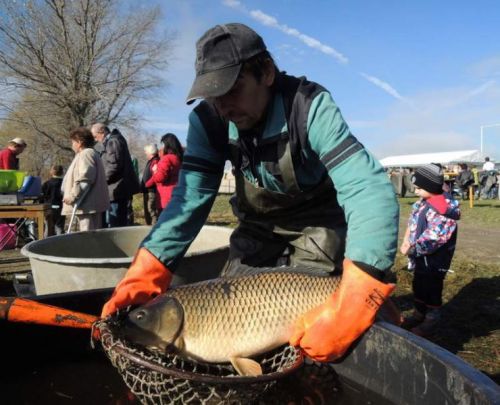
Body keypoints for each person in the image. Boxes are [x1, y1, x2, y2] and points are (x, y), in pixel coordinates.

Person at [101, 23, 399, 362]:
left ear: (267, 72)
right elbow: (188, 201)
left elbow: (367, 188)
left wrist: (362, 289)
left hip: (319, 225)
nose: (223, 105)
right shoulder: (209, 120)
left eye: (232, 88)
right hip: (258, 225)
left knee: (316, 335)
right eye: (213, 95)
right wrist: (149, 267)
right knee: (232, 318)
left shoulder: (308, 106)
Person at [400, 164, 460, 337]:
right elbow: (412, 222)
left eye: (419, 188)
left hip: (434, 258)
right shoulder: (423, 203)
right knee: (418, 283)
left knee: (432, 286)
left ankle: (431, 317)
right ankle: (419, 312)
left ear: (432, 187)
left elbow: (435, 237)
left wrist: (414, 248)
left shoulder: (442, 210)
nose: (415, 191)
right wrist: (406, 239)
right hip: (420, 256)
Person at [90, 124, 140, 227]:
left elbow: (114, 166)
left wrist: (101, 180)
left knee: (116, 223)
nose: (95, 140)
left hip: (117, 189)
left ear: (102, 132)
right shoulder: (114, 140)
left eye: (95, 136)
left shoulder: (113, 141)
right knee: (117, 221)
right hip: (116, 188)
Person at [62, 127, 110, 232]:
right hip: (88, 205)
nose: (72, 145)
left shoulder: (86, 154)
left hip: (87, 206)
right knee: (91, 236)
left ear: (79, 142)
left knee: (88, 237)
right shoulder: (89, 154)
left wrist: (72, 196)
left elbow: (86, 178)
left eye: (73, 142)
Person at [144, 134, 183, 211]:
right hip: (177, 193)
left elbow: (160, 178)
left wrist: (155, 171)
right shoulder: (179, 158)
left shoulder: (166, 159)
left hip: (166, 196)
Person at [41, 165, 65, 237]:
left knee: (48, 228)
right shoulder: (64, 183)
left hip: (49, 207)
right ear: (62, 172)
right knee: (59, 227)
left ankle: (46, 245)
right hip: (61, 207)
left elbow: (41, 196)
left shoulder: (46, 184)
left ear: (51, 172)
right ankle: (61, 244)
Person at [141, 144, 160, 225]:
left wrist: (147, 184)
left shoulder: (155, 161)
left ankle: (153, 228)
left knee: (151, 211)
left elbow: (155, 177)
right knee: (148, 211)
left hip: (151, 191)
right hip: (148, 190)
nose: (145, 153)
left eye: (146, 152)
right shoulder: (151, 161)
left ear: (150, 152)